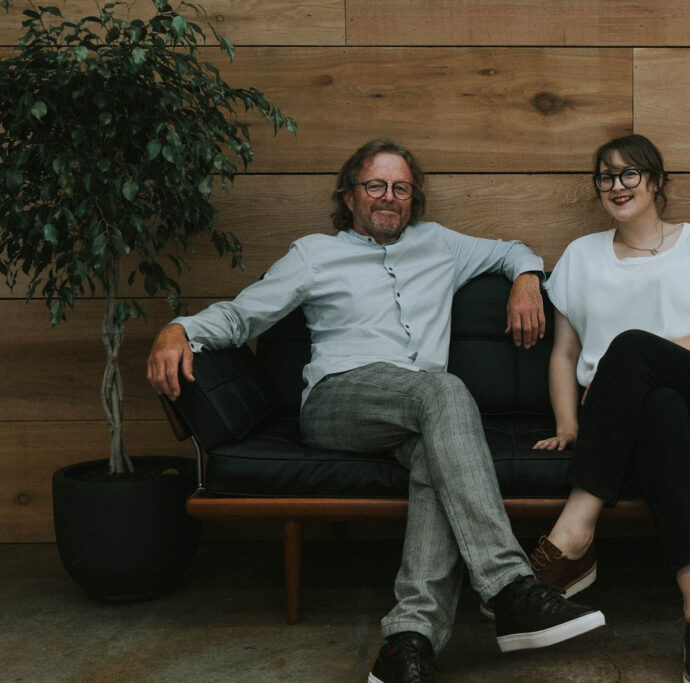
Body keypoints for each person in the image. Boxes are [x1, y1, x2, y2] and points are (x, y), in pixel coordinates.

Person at [147, 139, 605, 683]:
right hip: (339, 401)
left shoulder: (439, 244)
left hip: (419, 411)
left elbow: (511, 250)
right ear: (349, 195)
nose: (389, 197)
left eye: (401, 188)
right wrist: (179, 328)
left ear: (412, 199)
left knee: (436, 461)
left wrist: (526, 281)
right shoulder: (313, 254)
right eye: (375, 186)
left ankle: (407, 643)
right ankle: (508, 587)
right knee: (443, 389)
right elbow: (244, 315)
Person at [530, 134, 690, 683]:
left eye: (630, 174)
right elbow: (564, 353)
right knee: (660, 407)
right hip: (637, 423)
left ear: (655, 182)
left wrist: (621, 374)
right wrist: (568, 424)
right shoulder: (581, 257)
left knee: (632, 350)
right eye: (606, 177)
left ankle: (574, 534)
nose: (617, 186)